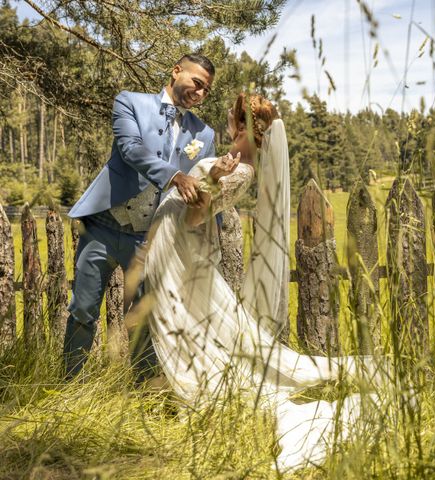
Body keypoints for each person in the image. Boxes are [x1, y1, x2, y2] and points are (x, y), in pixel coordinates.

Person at [145, 93, 384, 471]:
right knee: (190, 328)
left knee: (181, 326)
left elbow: (195, 218)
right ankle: (185, 393)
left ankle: (196, 398)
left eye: (230, 115)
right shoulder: (236, 164)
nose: (225, 118)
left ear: (241, 126)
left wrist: (210, 177)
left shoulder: (240, 171)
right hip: (176, 250)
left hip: (177, 251)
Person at [62, 53, 231, 379]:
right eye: (197, 83)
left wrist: (211, 224)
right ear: (176, 70)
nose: (200, 93)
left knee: (143, 319)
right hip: (103, 226)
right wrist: (174, 176)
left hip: (149, 237)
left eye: (206, 90)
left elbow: (206, 184)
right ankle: (69, 384)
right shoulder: (130, 103)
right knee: (82, 309)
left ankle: (145, 396)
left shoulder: (204, 135)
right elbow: (131, 149)